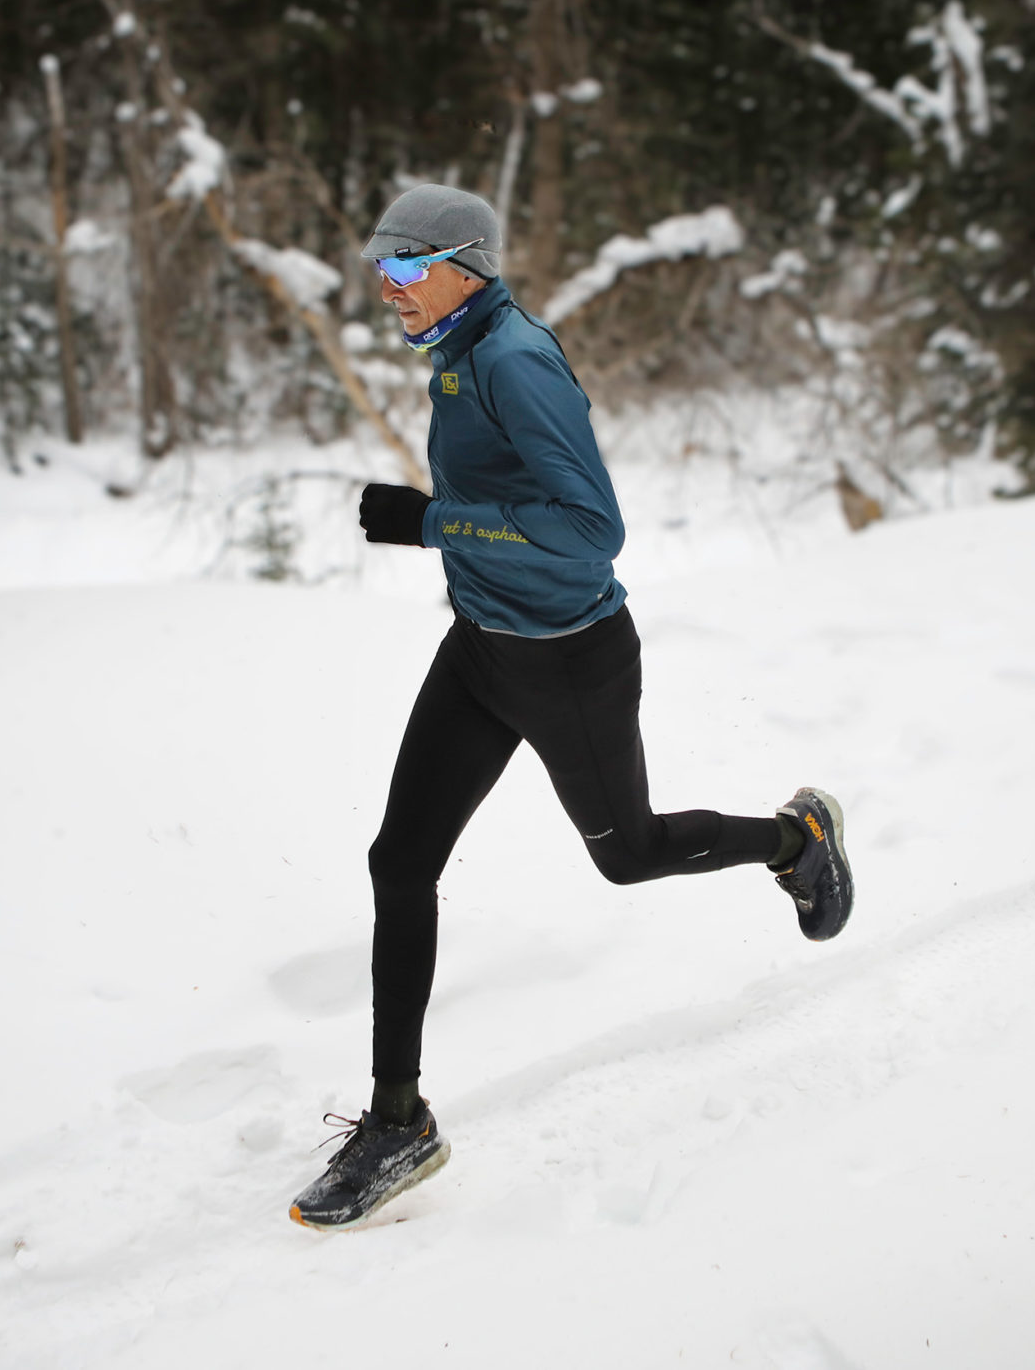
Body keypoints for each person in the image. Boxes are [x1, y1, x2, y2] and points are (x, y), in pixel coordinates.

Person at [288, 185, 854, 1231]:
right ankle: (397, 1121)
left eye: (407, 267)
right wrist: (454, 544)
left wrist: (431, 524)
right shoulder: (457, 352)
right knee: (398, 863)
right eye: (381, 268)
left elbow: (590, 531)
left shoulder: (509, 359)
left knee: (627, 854)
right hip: (481, 654)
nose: (388, 287)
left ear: (468, 264)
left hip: (568, 662)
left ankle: (794, 839)